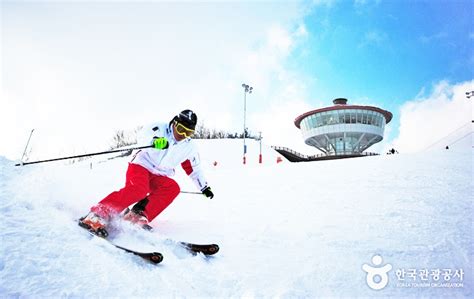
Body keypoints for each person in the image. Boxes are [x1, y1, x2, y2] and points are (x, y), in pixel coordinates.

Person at [79, 109, 214, 236]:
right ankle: (99, 213)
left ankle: (137, 215)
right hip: (141, 165)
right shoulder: (159, 128)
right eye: (180, 129)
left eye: (188, 133)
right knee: (139, 189)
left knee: (173, 188)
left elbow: (194, 169)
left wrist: (204, 187)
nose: (182, 135)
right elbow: (143, 136)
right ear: (174, 123)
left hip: (160, 174)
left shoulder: (189, 147)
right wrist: (154, 141)